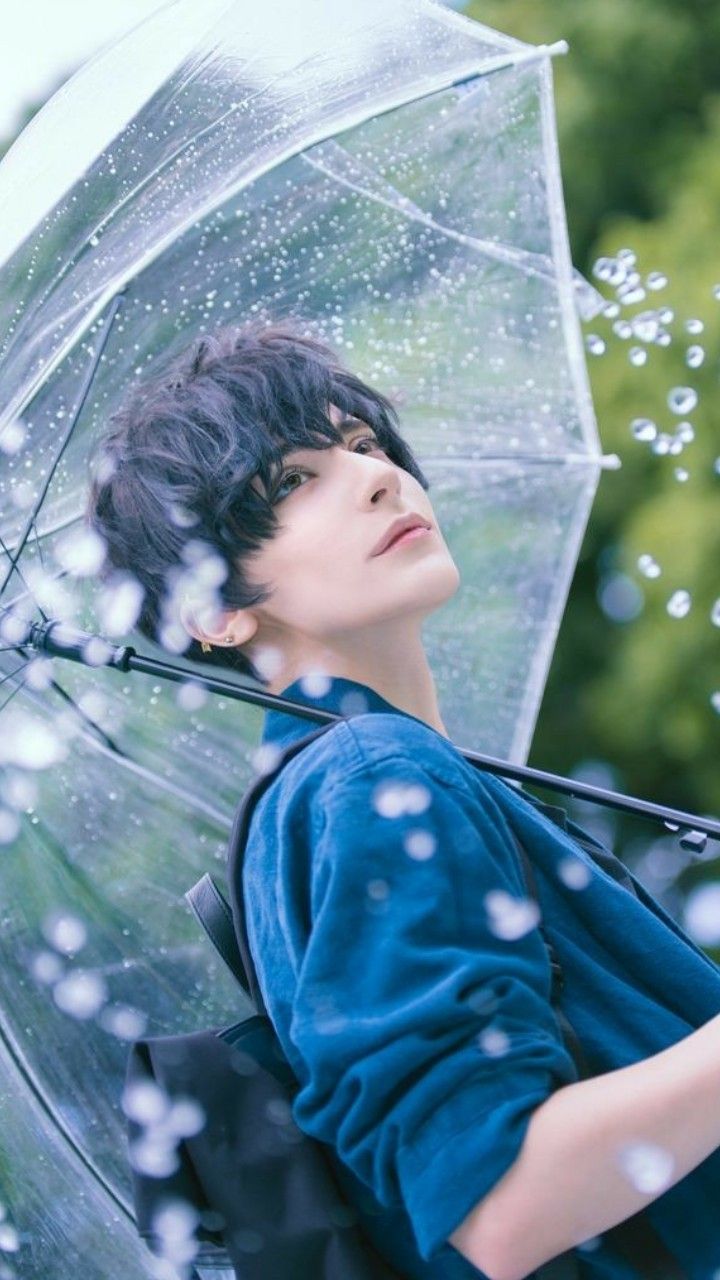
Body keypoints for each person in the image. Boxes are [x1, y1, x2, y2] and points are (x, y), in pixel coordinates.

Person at [87, 318, 720, 1280]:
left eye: (364, 445)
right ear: (212, 606)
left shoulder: (356, 785)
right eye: (294, 480)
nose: (379, 478)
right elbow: (499, 1205)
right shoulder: (372, 778)